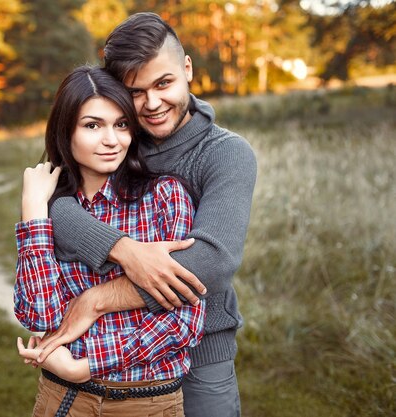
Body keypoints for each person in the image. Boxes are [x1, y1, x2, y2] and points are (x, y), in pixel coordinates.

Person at [37, 12, 258, 417]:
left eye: (164, 83)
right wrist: (124, 249)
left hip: (202, 346)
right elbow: (58, 203)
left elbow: (210, 261)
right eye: (135, 91)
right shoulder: (120, 139)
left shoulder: (225, 152)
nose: (152, 104)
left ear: (187, 68)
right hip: (115, 345)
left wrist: (98, 300)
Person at [14, 65, 205, 416]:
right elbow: (40, 315)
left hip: (147, 401)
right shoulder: (54, 209)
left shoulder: (164, 197)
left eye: (120, 124)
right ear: (64, 130)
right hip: (62, 399)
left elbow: (185, 319)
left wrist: (84, 365)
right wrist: (34, 211)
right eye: (92, 125)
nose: (112, 140)